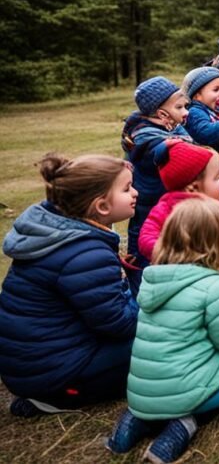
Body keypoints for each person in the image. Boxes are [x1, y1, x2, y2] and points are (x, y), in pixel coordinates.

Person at [107, 197, 219, 462]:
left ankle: (136, 422)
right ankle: (187, 420)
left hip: (142, 395)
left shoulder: (153, 279)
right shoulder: (215, 286)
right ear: (216, 245)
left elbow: (187, 312)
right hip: (184, 395)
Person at [0, 154, 140, 417]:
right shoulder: (84, 252)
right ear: (101, 206)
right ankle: (49, 400)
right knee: (166, 341)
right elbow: (121, 324)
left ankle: (41, 394)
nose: (135, 192)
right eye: (126, 188)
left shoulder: (59, 234)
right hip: (60, 377)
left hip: (33, 368)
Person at [137, 141, 219, 267]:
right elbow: (145, 239)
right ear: (193, 188)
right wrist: (175, 253)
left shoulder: (217, 209)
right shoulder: (166, 210)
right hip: (178, 276)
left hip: (212, 274)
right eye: (216, 178)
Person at [121, 76, 191, 271]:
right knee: (143, 237)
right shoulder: (144, 134)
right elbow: (152, 152)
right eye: (179, 108)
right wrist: (166, 147)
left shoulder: (171, 127)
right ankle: (138, 269)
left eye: (185, 106)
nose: (185, 112)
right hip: (147, 199)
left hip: (163, 197)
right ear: (162, 114)